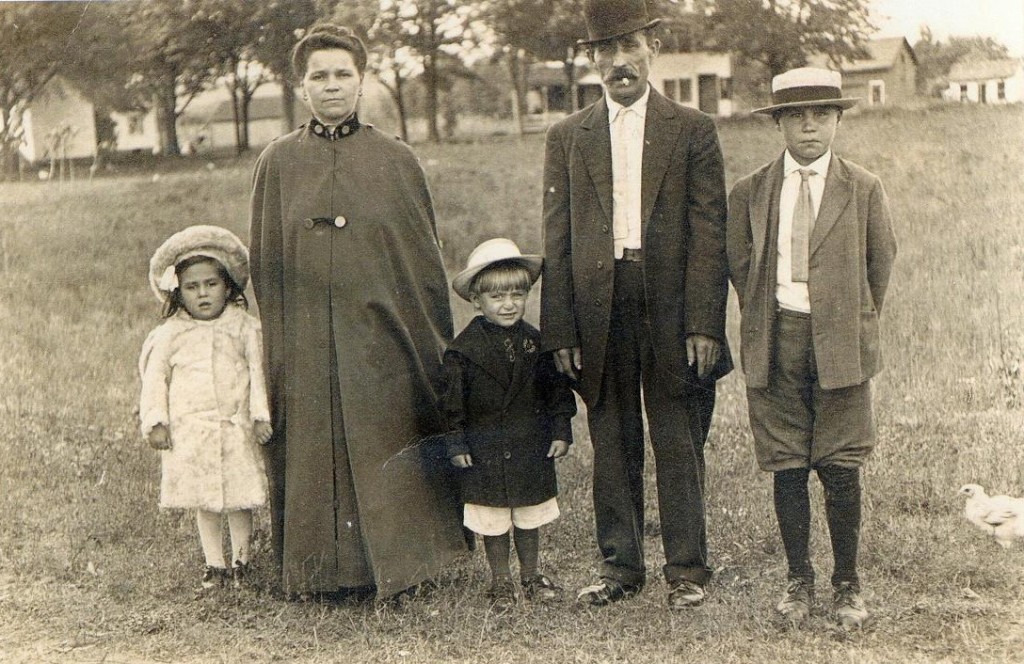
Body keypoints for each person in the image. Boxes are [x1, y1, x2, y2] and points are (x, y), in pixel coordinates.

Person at [248, 24, 466, 599]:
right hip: (306, 341)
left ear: (362, 81)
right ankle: (320, 573)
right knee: (313, 440)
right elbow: (267, 263)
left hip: (380, 335)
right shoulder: (277, 162)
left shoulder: (397, 160)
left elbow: (421, 264)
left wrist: (424, 341)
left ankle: (403, 566)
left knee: (387, 433)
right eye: (318, 75)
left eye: (343, 74)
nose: (331, 86)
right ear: (300, 86)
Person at [540, 0, 731, 608]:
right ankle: (621, 568)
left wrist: (704, 321)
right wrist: (562, 327)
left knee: (677, 435)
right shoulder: (567, 137)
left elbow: (709, 231)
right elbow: (558, 237)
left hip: (671, 305)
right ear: (591, 58)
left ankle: (687, 571)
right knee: (612, 436)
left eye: (628, 47)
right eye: (603, 51)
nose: (617, 62)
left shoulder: (694, 130)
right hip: (599, 306)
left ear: (653, 46)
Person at [726, 67, 897, 628]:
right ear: (778, 123)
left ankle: (847, 582)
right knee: (788, 465)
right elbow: (740, 263)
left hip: (841, 341)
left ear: (838, 119)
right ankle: (798, 579)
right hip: (777, 338)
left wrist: (848, 318)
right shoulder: (751, 191)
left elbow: (880, 262)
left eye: (821, 115)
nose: (809, 127)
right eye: (796, 116)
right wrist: (768, 316)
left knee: (842, 465)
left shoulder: (863, 187)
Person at [440, 239, 577, 611]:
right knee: (493, 519)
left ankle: (531, 576)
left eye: (518, 294)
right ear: (477, 301)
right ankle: (500, 582)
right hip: (484, 451)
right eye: (498, 297)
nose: (509, 304)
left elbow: (557, 392)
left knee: (529, 513)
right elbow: (452, 405)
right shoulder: (462, 351)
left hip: (529, 446)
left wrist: (561, 429)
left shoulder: (537, 343)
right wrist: (457, 444)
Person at [139, 225, 273, 590]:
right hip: (192, 431)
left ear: (228, 286)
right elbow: (154, 379)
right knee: (206, 500)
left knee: (240, 495)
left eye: (211, 284)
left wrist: (260, 416)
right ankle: (215, 564)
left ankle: (242, 561)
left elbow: (258, 374)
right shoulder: (170, 335)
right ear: (178, 292)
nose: (202, 294)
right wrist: (156, 421)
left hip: (236, 427)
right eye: (191, 287)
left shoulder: (245, 329)